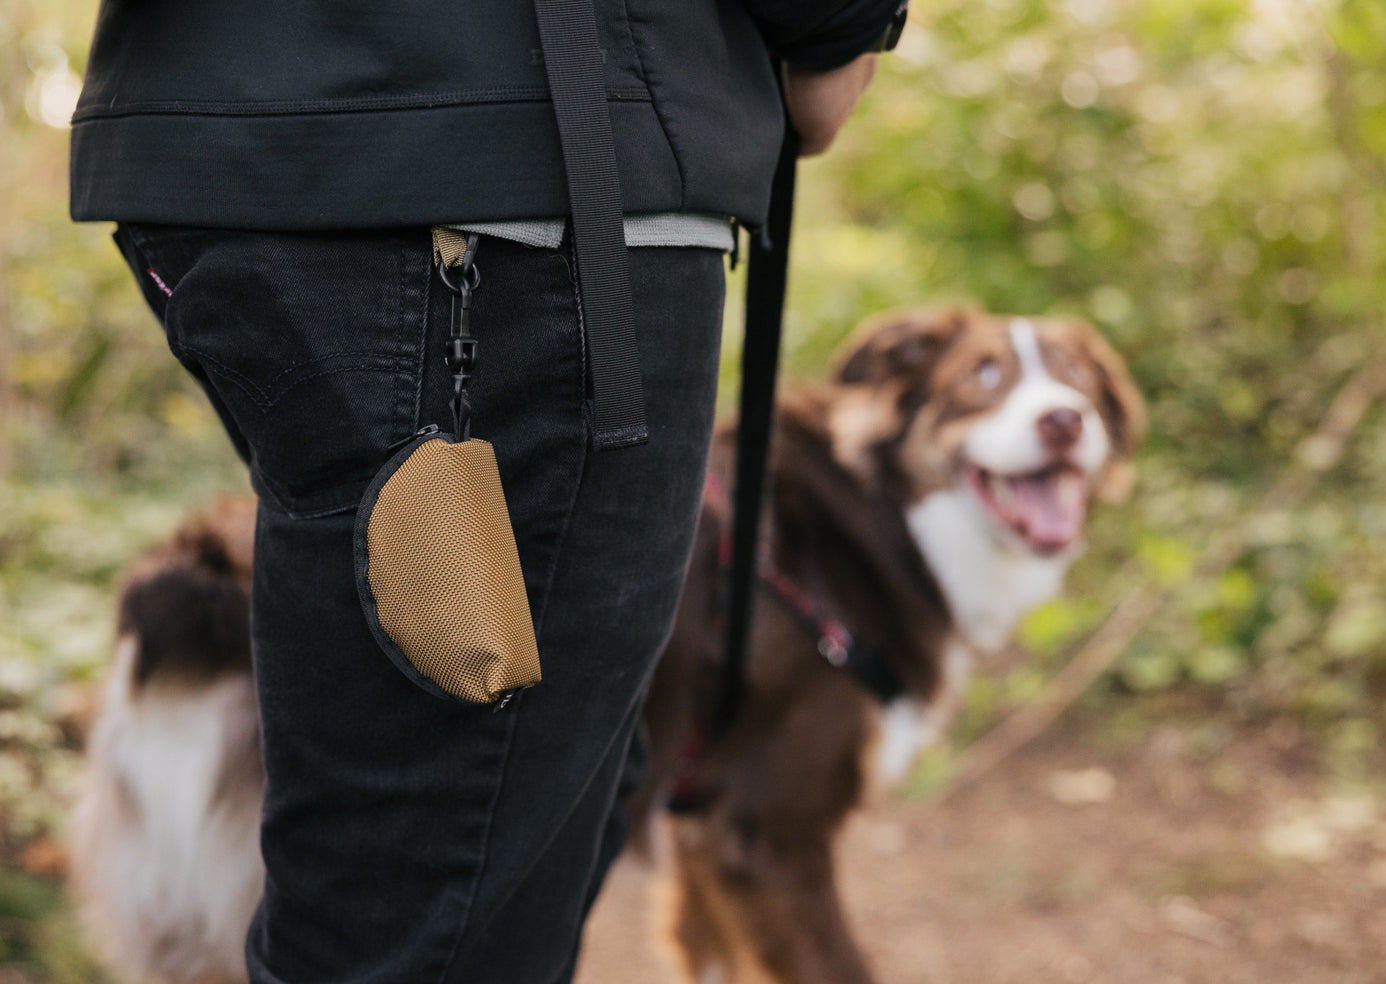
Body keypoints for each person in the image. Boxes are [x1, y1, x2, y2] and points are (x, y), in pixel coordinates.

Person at [70, 2, 907, 981]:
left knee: (500, 824)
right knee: (447, 898)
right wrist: (838, 25)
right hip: (526, 178)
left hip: (233, 144)